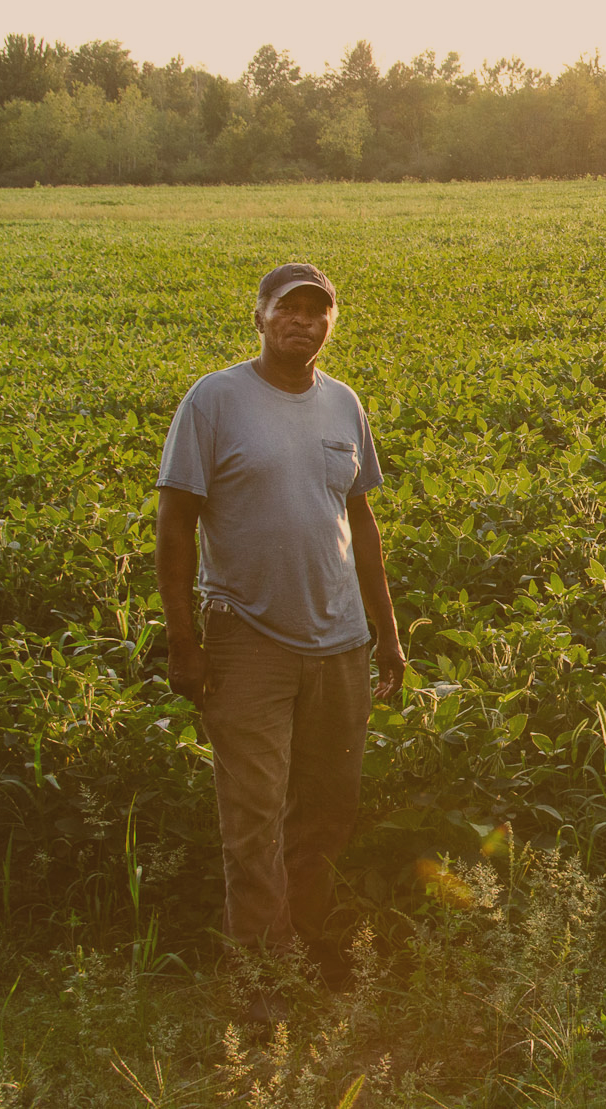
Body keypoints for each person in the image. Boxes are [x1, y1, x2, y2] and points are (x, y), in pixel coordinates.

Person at [154, 261, 405, 1019]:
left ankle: (310, 949)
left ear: (334, 322)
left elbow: (361, 524)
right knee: (254, 815)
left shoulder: (344, 403)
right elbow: (175, 520)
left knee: (328, 805)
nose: (303, 320)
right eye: (287, 308)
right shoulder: (215, 399)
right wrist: (183, 639)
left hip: (341, 642)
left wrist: (388, 634)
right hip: (246, 639)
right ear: (258, 316)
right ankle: (264, 984)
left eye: (317, 310)